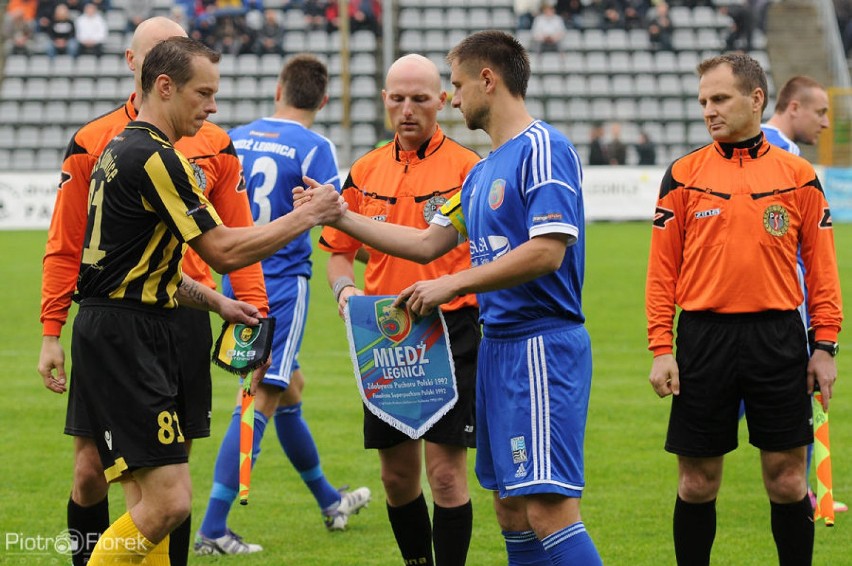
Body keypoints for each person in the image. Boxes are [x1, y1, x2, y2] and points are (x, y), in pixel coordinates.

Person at [299, 30, 602, 565]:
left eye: (456, 86)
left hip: (538, 346)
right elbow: (424, 243)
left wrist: (453, 283)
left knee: (549, 508)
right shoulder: (483, 172)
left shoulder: (544, 148)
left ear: (489, 79)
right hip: (500, 349)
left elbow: (548, 251)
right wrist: (338, 214)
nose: (453, 99)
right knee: (510, 508)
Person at [47, 35, 344, 565]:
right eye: (203, 93)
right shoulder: (157, 158)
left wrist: (218, 304)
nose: (213, 107)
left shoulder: (118, 148)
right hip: (128, 337)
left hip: (121, 326)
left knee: (143, 496)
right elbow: (225, 249)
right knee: (170, 501)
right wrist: (306, 217)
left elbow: (145, 267)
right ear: (164, 87)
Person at [645, 52, 842, 565]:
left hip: (777, 337)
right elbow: (662, 273)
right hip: (703, 340)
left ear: (756, 99)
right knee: (696, 482)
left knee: (787, 478)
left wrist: (824, 346)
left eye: (720, 99)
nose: (709, 110)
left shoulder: (798, 176)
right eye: (703, 101)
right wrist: (661, 348)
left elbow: (822, 271)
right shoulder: (683, 176)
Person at [194, 53, 371, 557]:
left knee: (289, 386)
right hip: (282, 287)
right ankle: (213, 528)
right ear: (323, 99)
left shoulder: (235, 136)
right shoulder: (314, 146)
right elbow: (331, 212)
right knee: (257, 397)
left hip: (236, 279)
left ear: (278, 89)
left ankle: (330, 500)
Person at [318, 53, 481, 566]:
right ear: (385, 100)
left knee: (447, 475)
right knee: (395, 477)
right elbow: (338, 253)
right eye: (398, 97)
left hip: (452, 328)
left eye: (419, 98)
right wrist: (344, 292)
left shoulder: (467, 169)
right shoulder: (364, 171)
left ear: (442, 101)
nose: (407, 108)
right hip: (385, 335)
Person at [761, 75, 848, 514]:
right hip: (781, 306)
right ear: (793, 107)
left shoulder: (764, 144)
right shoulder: (785, 155)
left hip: (754, 307)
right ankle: (809, 493)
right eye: (820, 112)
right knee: (794, 398)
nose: (827, 123)